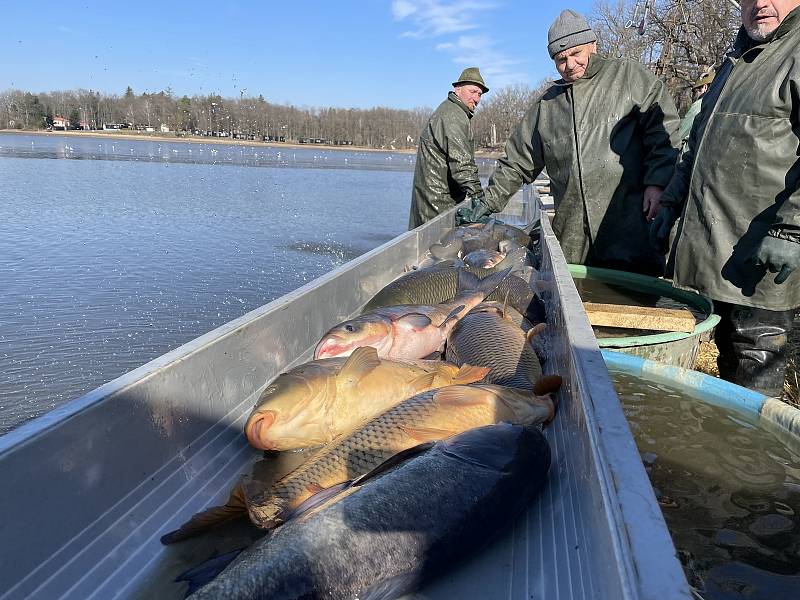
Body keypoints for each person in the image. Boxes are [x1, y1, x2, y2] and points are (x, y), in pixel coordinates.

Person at [650, 0, 800, 397]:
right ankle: (721, 450)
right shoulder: (736, 61)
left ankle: (754, 455)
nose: (760, 4)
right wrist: (670, 202)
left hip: (764, 248)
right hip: (716, 246)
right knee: (728, 356)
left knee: (759, 358)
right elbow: (697, 145)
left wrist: (792, 230)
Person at [458, 9, 680, 276]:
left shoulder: (629, 77)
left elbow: (664, 133)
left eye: (576, 54)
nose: (570, 65)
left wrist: (657, 183)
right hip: (573, 237)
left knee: (637, 304)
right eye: (561, 59)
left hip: (631, 226)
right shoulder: (548, 105)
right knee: (577, 306)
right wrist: (487, 202)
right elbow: (517, 162)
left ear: (593, 45)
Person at [408, 67, 489, 230]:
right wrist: (482, 202)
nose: (477, 98)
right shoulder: (453, 115)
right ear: (457, 89)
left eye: (480, 94)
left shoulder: (452, 111)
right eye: (473, 91)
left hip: (433, 200)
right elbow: (462, 165)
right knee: (436, 249)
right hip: (436, 204)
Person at [677, 70, 715, 147]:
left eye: (696, 91)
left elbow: (679, 137)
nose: (693, 96)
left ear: (705, 87)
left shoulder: (700, 104)